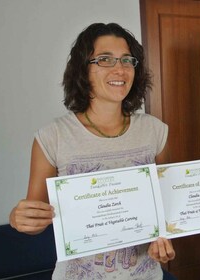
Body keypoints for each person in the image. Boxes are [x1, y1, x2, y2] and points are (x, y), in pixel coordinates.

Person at [9, 23, 175, 280]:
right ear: (83, 70)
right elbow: (35, 220)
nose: (119, 69)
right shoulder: (53, 137)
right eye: (105, 59)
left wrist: (165, 241)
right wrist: (21, 219)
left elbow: (168, 206)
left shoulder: (155, 132)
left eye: (127, 60)